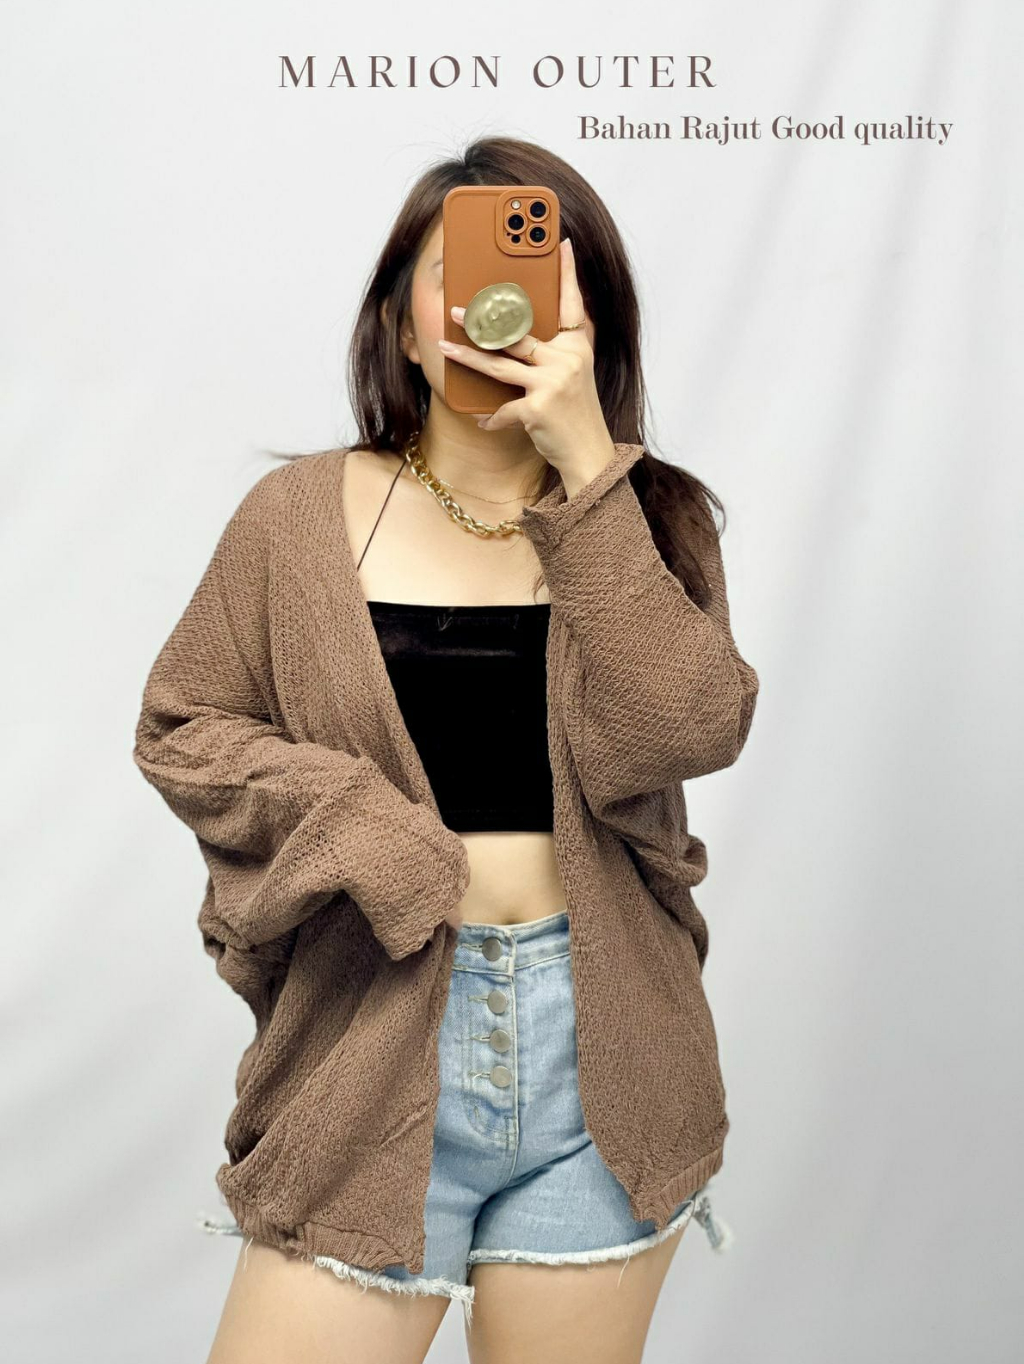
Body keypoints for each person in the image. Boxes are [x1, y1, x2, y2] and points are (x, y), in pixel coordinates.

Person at [133, 136, 759, 1364]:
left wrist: (588, 469)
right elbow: (183, 724)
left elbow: (688, 726)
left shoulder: (648, 515)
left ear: (592, 322)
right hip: (370, 1034)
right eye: (454, 275)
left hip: (608, 1056)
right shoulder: (297, 519)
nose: (495, 305)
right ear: (401, 326)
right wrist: (357, 826)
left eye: (542, 277)